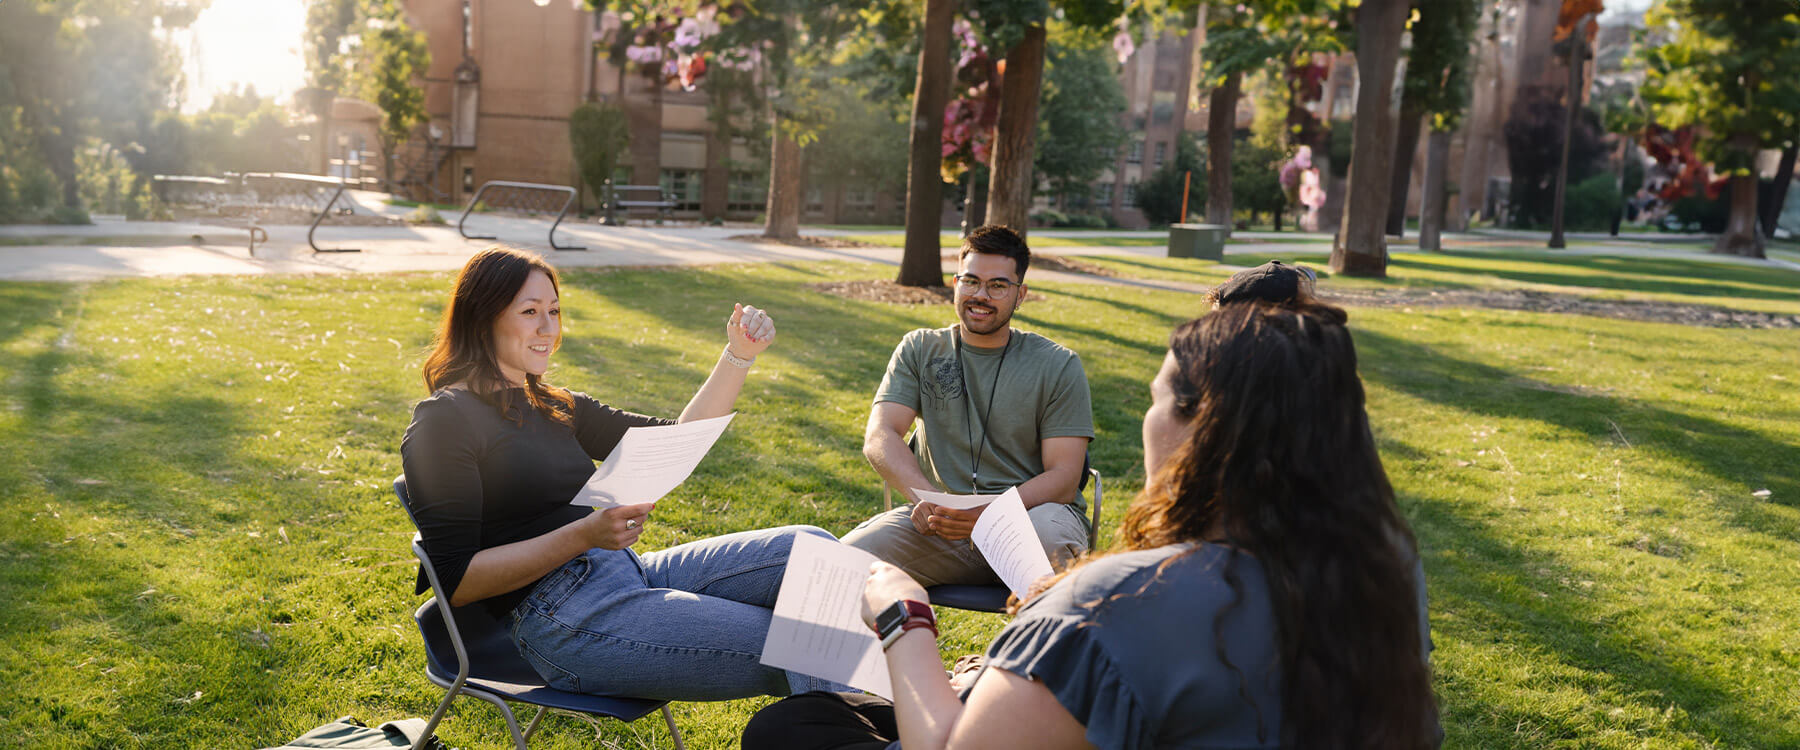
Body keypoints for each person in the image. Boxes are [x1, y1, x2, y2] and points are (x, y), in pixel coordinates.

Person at [743, 301, 1440, 750]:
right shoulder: (1385, 570)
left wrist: (905, 616)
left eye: (1156, 399)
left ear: (1205, 428)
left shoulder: (1114, 602)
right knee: (805, 718)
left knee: (787, 734)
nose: (1146, 419)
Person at [400, 246, 846, 701]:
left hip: (624, 573)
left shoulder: (555, 404)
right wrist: (583, 534)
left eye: (554, 311)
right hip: (561, 618)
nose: (548, 328)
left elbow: (679, 440)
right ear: (482, 319)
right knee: (808, 640)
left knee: (820, 557)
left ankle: (860, 723)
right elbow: (458, 581)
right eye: (530, 311)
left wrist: (738, 354)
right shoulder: (445, 421)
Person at [841, 225, 1095, 587]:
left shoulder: (1058, 364)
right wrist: (924, 500)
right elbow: (881, 435)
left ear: (1020, 295)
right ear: (956, 283)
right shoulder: (919, 348)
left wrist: (991, 513)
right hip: (942, 524)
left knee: (1050, 542)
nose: (981, 295)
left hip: (1030, 519)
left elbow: (1065, 479)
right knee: (842, 564)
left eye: (998, 286)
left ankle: (1033, 645)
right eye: (971, 281)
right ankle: (900, 645)